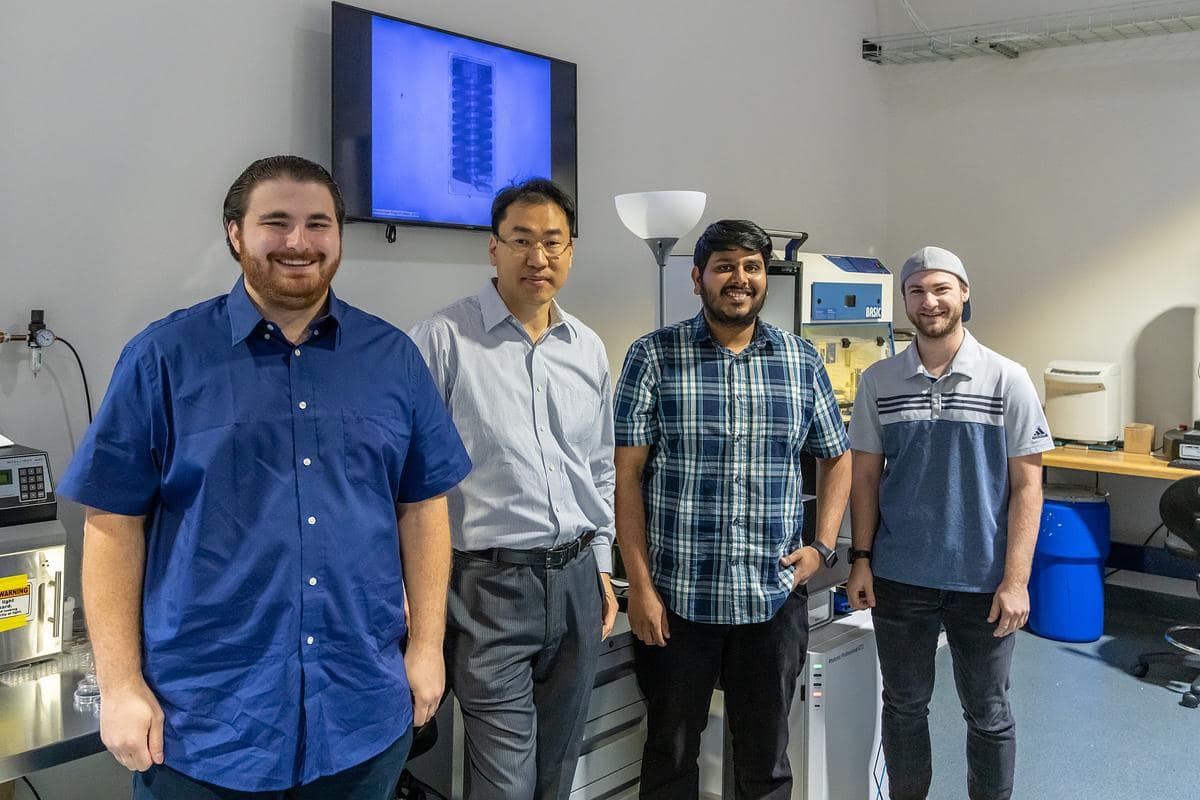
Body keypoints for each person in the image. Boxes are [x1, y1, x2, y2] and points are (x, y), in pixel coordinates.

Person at [57, 155, 471, 799]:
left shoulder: (393, 360)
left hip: (360, 715)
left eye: (318, 223)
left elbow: (423, 508)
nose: (298, 242)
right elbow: (112, 524)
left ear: (339, 235)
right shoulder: (162, 358)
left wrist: (425, 649)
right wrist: (120, 686)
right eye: (275, 222)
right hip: (204, 726)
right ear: (234, 234)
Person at [612, 219, 852, 799]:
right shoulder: (653, 356)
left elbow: (837, 458)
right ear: (697, 279)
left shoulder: (800, 361)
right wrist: (640, 588)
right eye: (724, 266)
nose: (739, 279)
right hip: (678, 604)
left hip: (770, 603)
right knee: (670, 753)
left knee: (765, 761)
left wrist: (822, 546)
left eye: (752, 267)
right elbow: (627, 479)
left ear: (765, 278)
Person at [407, 178, 617, 800]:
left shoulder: (588, 348)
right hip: (486, 587)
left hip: (578, 580)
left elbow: (597, 467)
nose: (538, 257)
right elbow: (408, 482)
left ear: (571, 251)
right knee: (505, 784)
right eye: (521, 240)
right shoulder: (442, 340)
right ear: (492, 248)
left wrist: (602, 565)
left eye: (553, 242)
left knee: (555, 778)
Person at [846, 245, 1052, 800]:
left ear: (964, 293)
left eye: (941, 289)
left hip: (982, 582)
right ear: (905, 301)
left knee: (987, 712)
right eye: (917, 291)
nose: (929, 301)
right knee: (905, 706)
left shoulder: (1008, 380)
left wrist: (1015, 581)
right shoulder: (879, 381)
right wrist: (860, 559)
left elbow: (1028, 486)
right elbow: (864, 478)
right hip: (901, 577)